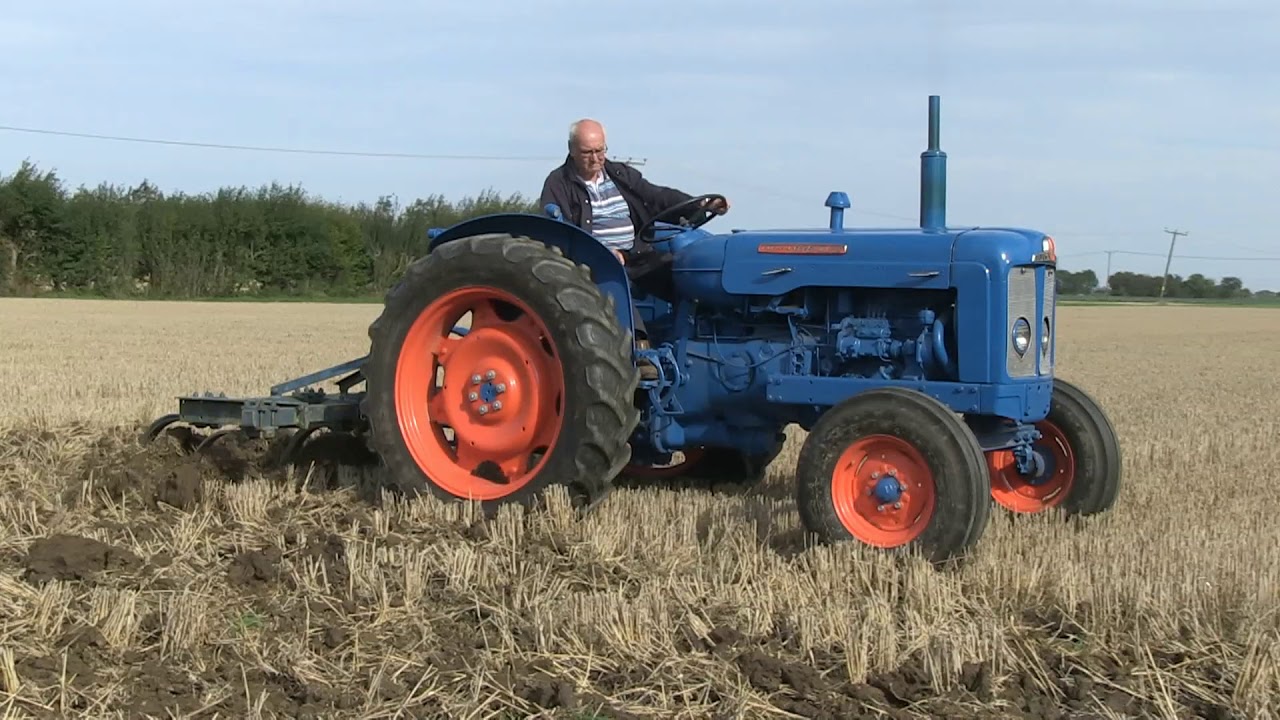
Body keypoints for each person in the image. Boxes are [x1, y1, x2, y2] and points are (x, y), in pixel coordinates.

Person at [538, 118, 729, 380]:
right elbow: (561, 228)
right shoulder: (558, 184)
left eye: (600, 150)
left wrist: (698, 204)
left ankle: (698, 339)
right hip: (593, 260)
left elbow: (655, 195)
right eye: (588, 152)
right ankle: (639, 349)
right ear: (571, 150)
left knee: (682, 273)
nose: (596, 158)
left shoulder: (620, 174)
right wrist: (601, 250)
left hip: (637, 253)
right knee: (614, 276)